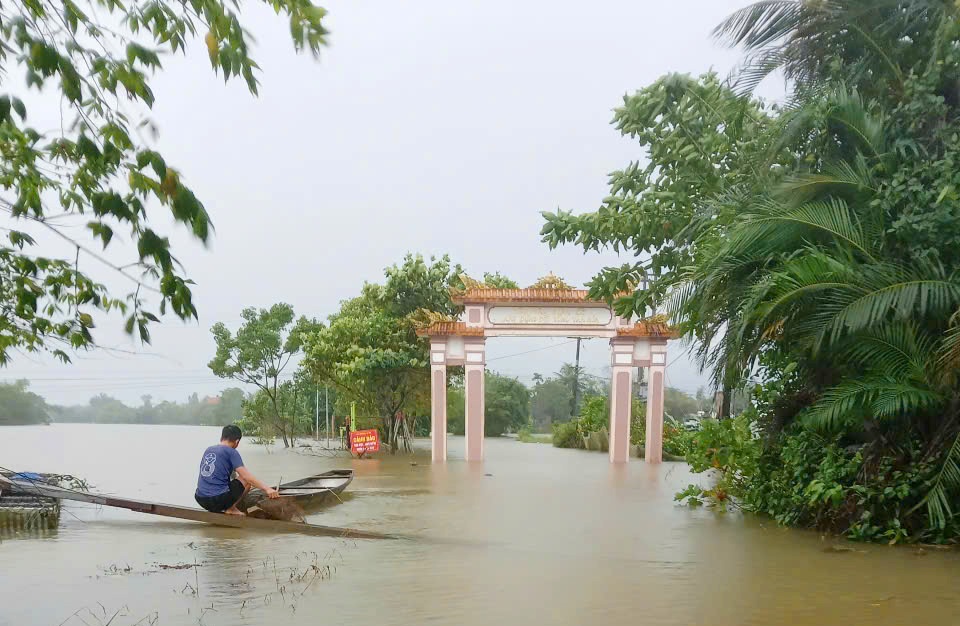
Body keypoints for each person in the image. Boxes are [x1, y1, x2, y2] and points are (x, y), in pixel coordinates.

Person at [194, 425, 280, 515]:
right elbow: (246, 477)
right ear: (237, 441)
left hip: (201, 499)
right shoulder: (231, 452)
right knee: (245, 481)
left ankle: (224, 507)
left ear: (221, 437)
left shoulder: (209, 449)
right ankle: (231, 508)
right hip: (217, 500)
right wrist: (267, 489)